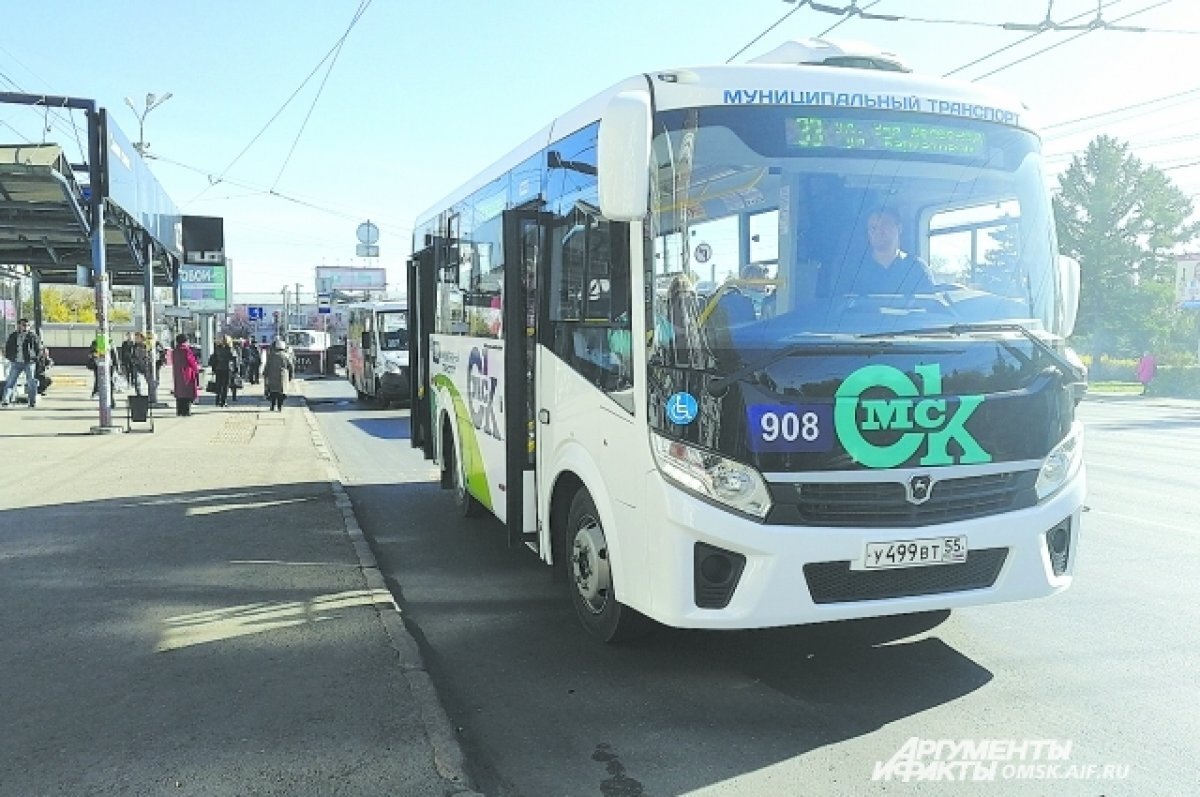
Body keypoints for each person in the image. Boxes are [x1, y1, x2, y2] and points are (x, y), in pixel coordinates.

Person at [837, 206, 935, 295]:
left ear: (899, 228)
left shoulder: (916, 267)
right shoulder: (853, 270)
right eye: (873, 227)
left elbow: (929, 306)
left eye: (884, 225)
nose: (878, 231)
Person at [2, 318, 44, 407]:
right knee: (10, 381)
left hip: (29, 362)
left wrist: (35, 358)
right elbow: (8, 347)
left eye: (27, 325)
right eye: (24, 325)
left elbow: (38, 349)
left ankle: (32, 401)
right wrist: (9, 357)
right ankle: (6, 399)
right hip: (16, 362)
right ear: (19, 326)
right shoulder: (13, 336)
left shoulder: (32, 336)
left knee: (31, 382)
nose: (26, 327)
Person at [171, 333, 201, 416]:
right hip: (187, 373)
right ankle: (186, 411)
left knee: (179, 393)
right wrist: (196, 370)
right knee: (187, 393)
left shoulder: (174, 351)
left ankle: (179, 411)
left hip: (177, 374)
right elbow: (192, 362)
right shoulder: (186, 350)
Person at [263, 337, 295, 412]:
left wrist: (265, 374)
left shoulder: (271, 355)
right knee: (281, 392)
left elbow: (267, 365)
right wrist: (291, 375)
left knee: (273, 392)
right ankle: (280, 406)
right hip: (282, 376)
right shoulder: (286, 356)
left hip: (272, 376)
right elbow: (290, 366)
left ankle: (272, 405)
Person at [208, 335, 238, 407]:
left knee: (218, 385)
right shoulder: (230, 349)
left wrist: (213, 368)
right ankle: (223, 401)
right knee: (225, 386)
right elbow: (234, 360)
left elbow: (213, 359)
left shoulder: (217, 349)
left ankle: (217, 400)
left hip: (218, 368)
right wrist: (236, 369)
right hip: (227, 369)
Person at [128, 332, 151, 396]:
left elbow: (149, 354)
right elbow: (131, 355)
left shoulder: (146, 345)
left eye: (137, 338)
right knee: (137, 380)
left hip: (145, 365)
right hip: (136, 365)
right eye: (135, 338)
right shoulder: (134, 346)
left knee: (149, 380)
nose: (136, 339)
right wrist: (134, 361)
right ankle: (138, 393)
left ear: (141, 338)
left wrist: (146, 360)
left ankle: (151, 394)